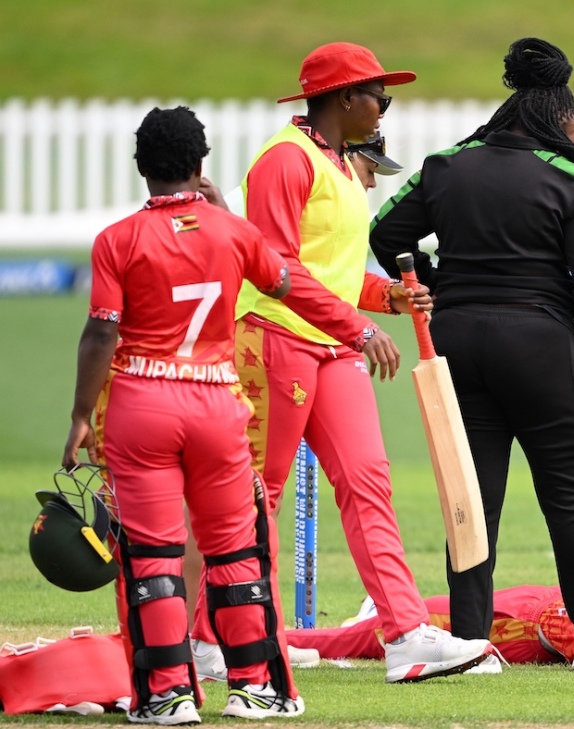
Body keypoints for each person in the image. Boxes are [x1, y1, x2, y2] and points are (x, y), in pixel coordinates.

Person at [218, 40, 491, 683]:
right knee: (257, 495)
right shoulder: (284, 160)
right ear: (345, 98)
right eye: (379, 98)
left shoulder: (338, 164)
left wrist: (387, 297)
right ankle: (229, 637)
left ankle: (406, 635)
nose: (384, 110)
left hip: (331, 345)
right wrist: (359, 326)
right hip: (272, 337)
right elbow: (278, 269)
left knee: (368, 482)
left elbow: (332, 274)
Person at [368, 37, 574, 671]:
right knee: (569, 495)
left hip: (457, 342)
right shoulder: (568, 177)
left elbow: (386, 233)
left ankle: (468, 643)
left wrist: (437, 285)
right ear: (560, 120)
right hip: (539, 343)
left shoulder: (447, 165)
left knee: (472, 496)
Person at [61, 106, 303, 722]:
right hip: (216, 402)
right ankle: (254, 688)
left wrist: (82, 415)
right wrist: (227, 219)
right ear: (200, 165)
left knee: (152, 557)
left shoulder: (116, 239)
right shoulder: (231, 231)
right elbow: (280, 282)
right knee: (235, 552)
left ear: (142, 167)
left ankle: (167, 695)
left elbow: (101, 333)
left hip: (141, 406)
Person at [285, 586, 574, 670]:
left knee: (368, 634)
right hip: (528, 608)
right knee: (377, 628)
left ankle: (270, 638)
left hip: (517, 626)